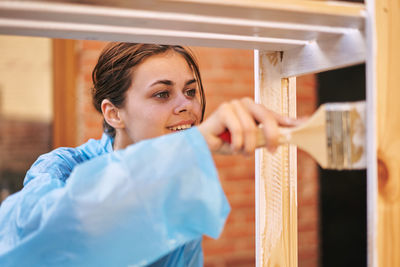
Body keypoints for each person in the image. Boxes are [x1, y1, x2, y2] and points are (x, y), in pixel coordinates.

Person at [0, 43, 297, 266]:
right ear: (114, 113)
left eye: (190, 91)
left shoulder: (181, 180)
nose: (187, 106)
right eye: (162, 94)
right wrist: (194, 144)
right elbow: (31, 237)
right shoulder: (60, 167)